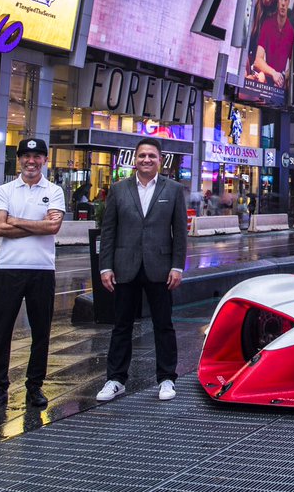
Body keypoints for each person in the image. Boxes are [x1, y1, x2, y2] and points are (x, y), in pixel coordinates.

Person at [95, 138, 189, 403]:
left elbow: (180, 233)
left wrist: (177, 266)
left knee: (163, 325)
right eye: (141, 156)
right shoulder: (118, 189)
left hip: (160, 268)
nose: (146, 160)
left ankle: (167, 378)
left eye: (151, 156)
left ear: (161, 160)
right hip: (125, 267)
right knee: (121, 326)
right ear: (134, 160)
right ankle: (115, 380)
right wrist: (105, 267)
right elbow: (108, 231)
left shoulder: (173, 189)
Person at [0, 138, 65, 412]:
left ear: (44, 160)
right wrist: (38, 224)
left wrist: (15, 220)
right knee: (2, 330)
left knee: (41, 331)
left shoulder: (54, 191)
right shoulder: (5, 190)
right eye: (26, 156)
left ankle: (35, 385)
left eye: (37, 156)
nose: (31, 161)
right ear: (19, 159)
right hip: (8, 269)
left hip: (42, 270)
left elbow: (53, 228)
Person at [251, 0, 294, 88]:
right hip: (262, 85)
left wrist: (283, 77)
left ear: (289, 0)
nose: (283, 3)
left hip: (279, 91)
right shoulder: (267, 24)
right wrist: (273, 73)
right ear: (277, 1)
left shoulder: (291, 32)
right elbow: (257, 60)